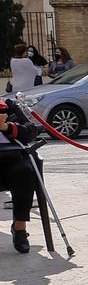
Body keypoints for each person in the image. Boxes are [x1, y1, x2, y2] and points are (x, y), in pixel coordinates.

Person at [0, 98, 40, 253]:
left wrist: (6, 126)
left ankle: (20, 228)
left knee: (25, 171)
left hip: (12, 157)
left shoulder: (7, 105)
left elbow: (31, 132)